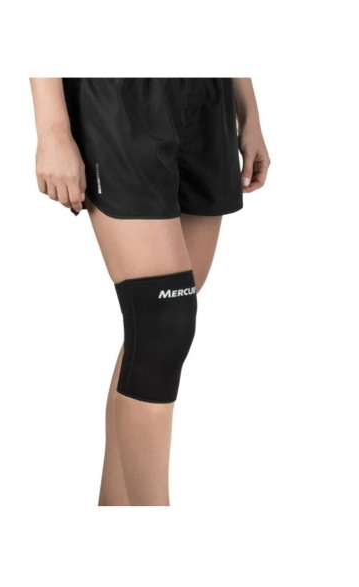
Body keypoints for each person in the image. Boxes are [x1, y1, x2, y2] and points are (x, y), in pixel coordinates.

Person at [29, 78, 270, 506]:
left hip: (208, 94)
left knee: (152, 338)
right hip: (119, 93)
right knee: (162, 329)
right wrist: (52, 129)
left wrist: (248, 111)